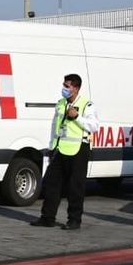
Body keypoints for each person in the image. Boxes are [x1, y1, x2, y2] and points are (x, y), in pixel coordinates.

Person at [30, 73, 100, 231]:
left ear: (75, 88)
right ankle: (47, 218)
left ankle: (74, 220)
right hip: (61, 149)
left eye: (67, 86)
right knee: (50, 183)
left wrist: (77, 117)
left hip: (79, 150)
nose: (64, 89)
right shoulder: (61, 104)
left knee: (75, 187)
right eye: (64, 85)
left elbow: (94, 126)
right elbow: (56, 125)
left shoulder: (86, 105)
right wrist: (51, 145)